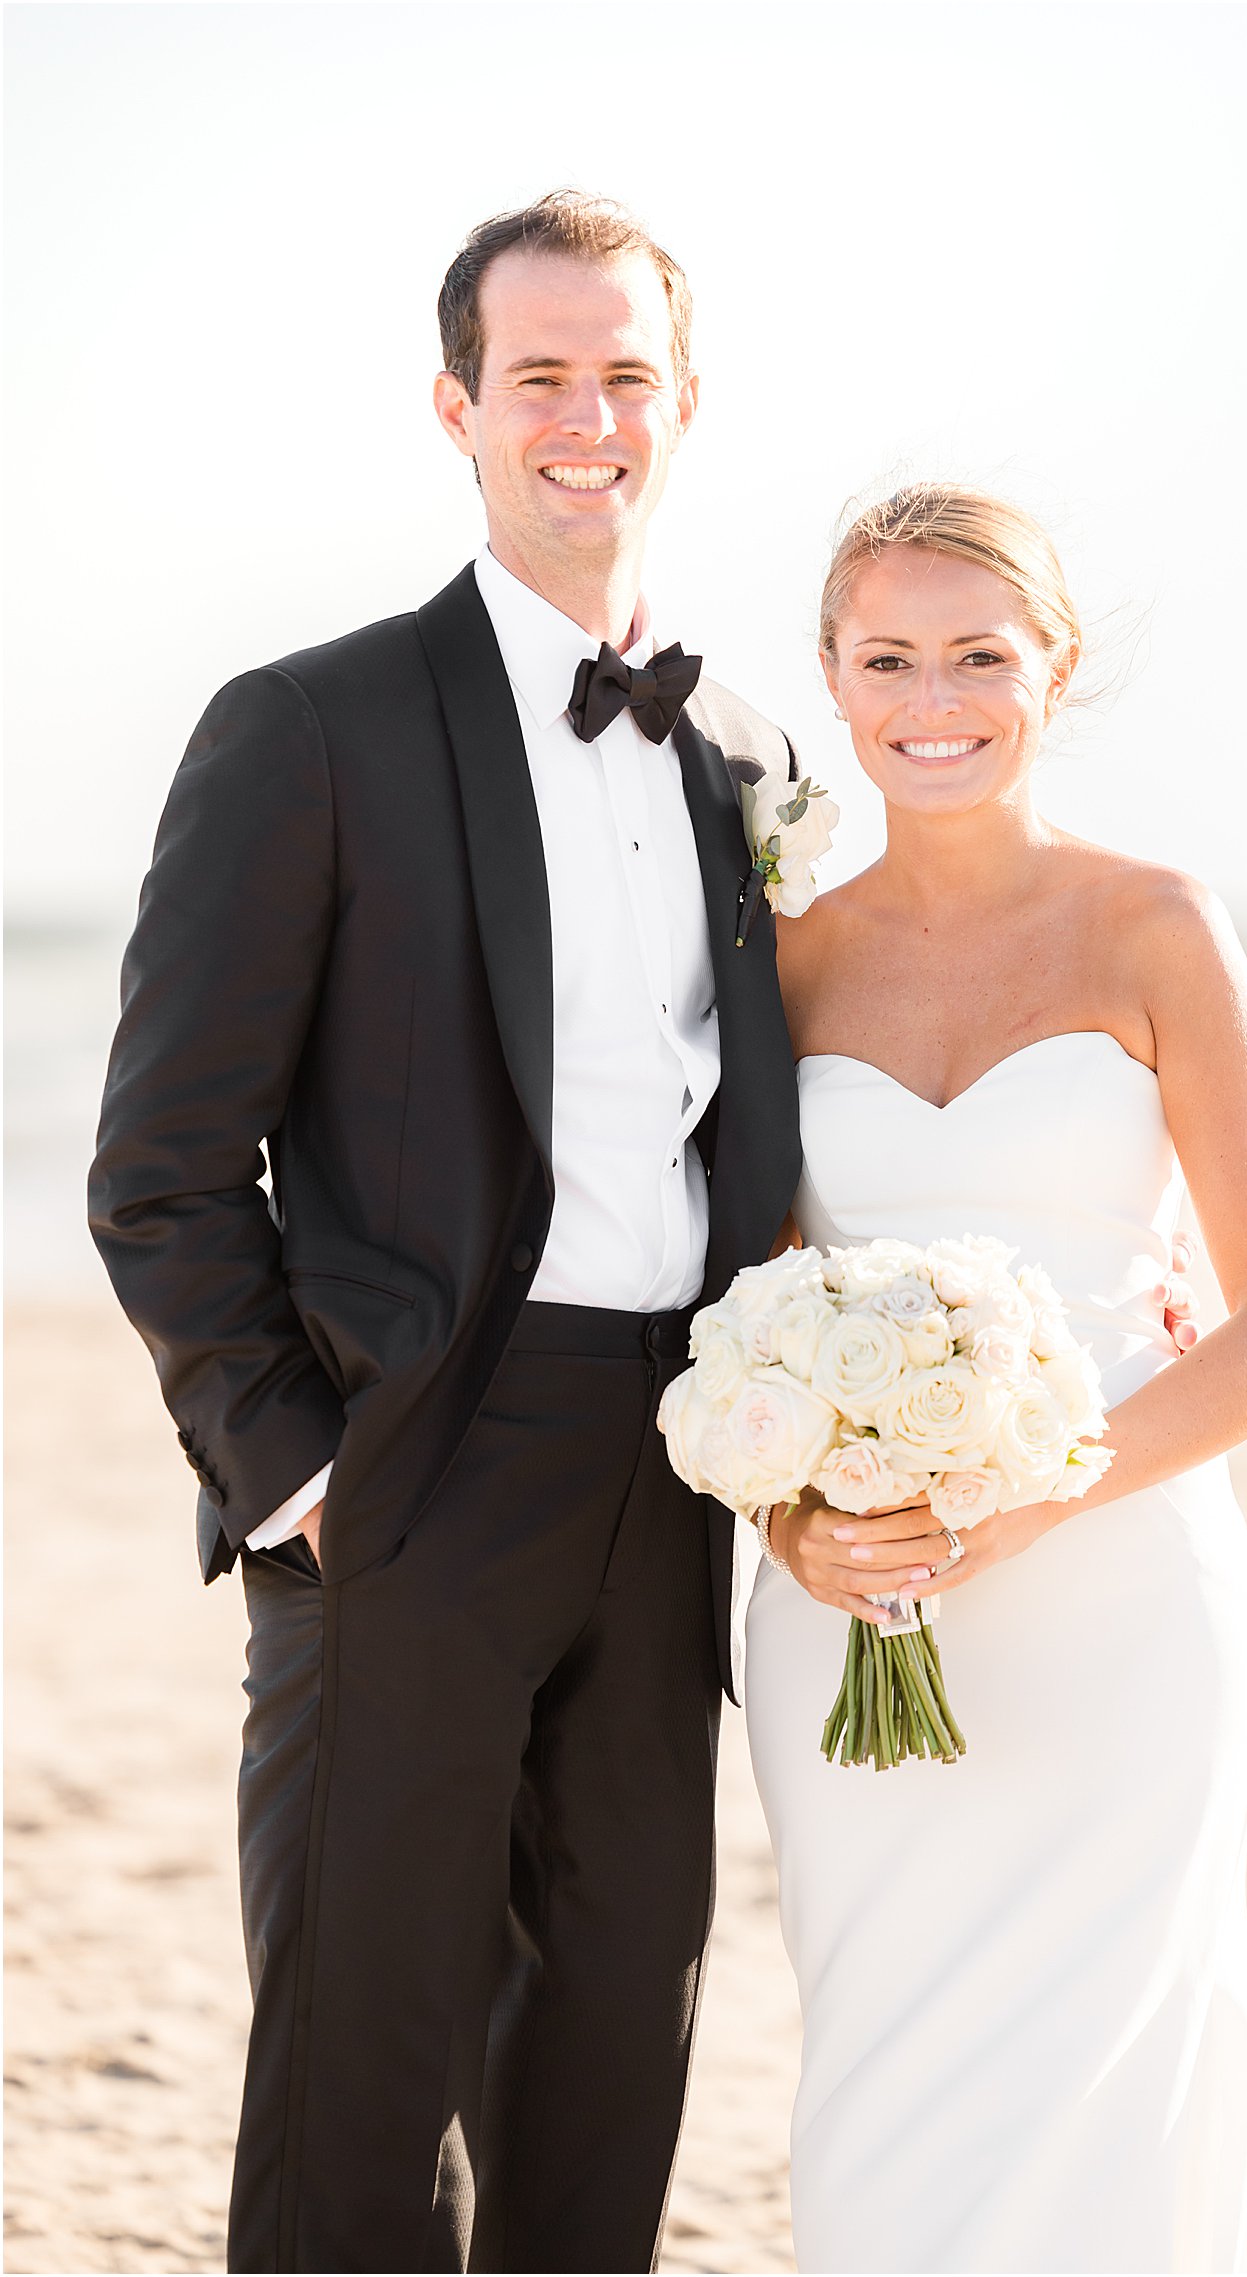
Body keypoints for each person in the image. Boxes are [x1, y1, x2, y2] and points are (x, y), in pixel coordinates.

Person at [87, 191, 806, 2274]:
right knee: (360, 2058)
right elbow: (160, 1160)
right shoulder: (311, 724)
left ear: (683, 408)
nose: (587, 417)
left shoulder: (743, 749)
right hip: (401, 1456)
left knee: (613, 2022)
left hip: (667, 1458)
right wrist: (291, 1457)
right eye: (541, 377)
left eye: (627, 377)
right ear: (460, 406)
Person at [744, 485, 1247, 2273]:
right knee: (880, 2071)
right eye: (890, 657)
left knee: (1116, 2070)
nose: (936, 696)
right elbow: (750, 1300)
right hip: (857, 1600)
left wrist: (1036, 1491)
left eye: (981, 655)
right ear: (835, 684)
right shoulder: (787, 955)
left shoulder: (1158, 924)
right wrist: (786, 1518)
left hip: (1120, 1587)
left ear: (1053, 672)